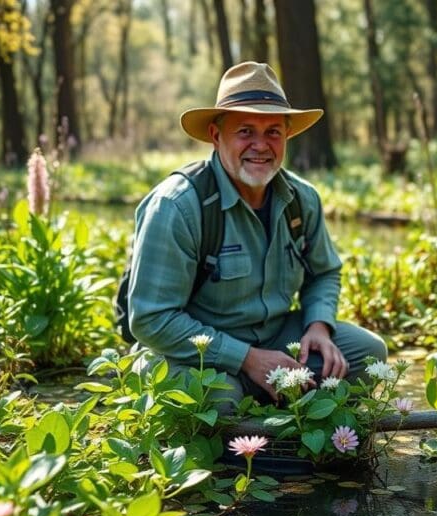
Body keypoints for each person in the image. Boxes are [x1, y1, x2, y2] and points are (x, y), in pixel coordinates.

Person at [128, 61, 387, 407]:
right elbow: (151, 320)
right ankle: (271, 415)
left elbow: (324, 272)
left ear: (286, 137)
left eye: (273, 132)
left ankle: (288, 415)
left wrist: (318, 326)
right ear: (216, 135)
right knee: (219, 402)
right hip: (195, 354)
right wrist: (248, 359)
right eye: (246, 131)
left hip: (278, 339)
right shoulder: (177, 206)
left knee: (368, 355)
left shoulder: (302, 199)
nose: (261, 145)